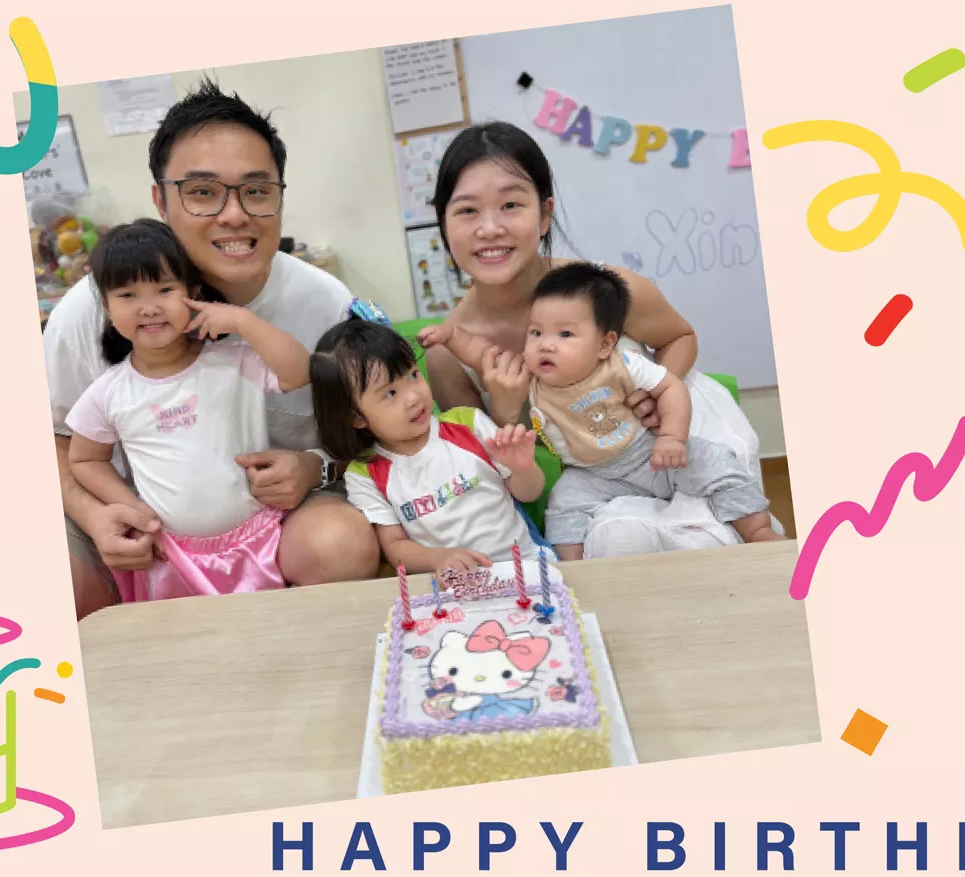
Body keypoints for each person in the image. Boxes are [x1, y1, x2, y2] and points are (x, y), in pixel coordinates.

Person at [43, 78, 379, 617]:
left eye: (257, 190)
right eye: (202, 192)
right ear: (160, 199)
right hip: (149, 525)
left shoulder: (324, 303)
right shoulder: (91, 311)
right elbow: (58, 441)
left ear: (279, 198)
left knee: (339, 543)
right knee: (54, 577)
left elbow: (369, 432)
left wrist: (314, 469)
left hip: (276, 518)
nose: (233, 215)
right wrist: (96, 513)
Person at [419, 121, 779, 552]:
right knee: (617, 549)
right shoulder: (448, 355)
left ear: (545, 213)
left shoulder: (606, 289)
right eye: (467, 210)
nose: (490, 228)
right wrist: (507, 408)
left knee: (720, 545)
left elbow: (680, 337)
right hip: (597, 483)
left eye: (511, 205)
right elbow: (500, 473)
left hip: (682, 440)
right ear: (443, 224)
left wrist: (659, 391)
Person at [420, 262, 781, 559]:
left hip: (647, 453)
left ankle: (758, 532)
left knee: (718, 464)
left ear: (605, 343)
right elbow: (484, 355)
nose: (546, 345)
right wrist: (451, 337)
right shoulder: (532, 378)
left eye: (564, 335)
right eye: (535, 333)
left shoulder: (622, 365)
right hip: (591, 472)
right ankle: (575, 572)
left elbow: (670, 386)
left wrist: (672, 437)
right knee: (563, 506)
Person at [65, 219, 312, 602]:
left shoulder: (233, 361)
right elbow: (84, 460)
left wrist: (244, 321)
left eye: (164, 289)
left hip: (260, 544)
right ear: (106, 306)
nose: (148, 308)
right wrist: (129, 507)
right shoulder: (110, 392)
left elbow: (299, 373)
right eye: (127, 295)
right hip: (172, 559)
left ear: (192, 292)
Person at [309, 319, 542, 582]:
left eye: (412, 375)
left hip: (525, 567)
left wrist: (524, 468)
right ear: (356, 417)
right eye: (390, 393)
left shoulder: (468, 423)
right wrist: (437, 558)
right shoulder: (365, 474)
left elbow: (530, 493)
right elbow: (394, 546)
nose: (413, 397)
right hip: (452, 584)